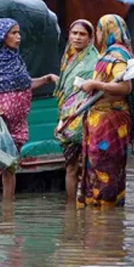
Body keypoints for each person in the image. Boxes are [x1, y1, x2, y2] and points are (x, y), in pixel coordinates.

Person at [0, 18, 57, 202]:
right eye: (13, 33)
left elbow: (25, 84)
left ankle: (8, 211)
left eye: (19, 32)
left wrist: (46, 79)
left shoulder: (16, 60)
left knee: (10, 165)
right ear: (1, 36)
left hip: (16, 124)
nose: (18, 37)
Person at [76, 14, 134, 208]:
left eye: (100, 30)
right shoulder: (110, 54)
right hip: (99, 118)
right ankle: (98, 214)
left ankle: (105, 213)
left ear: (109, 31)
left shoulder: (118, 56)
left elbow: (125, 87)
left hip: (110, 121)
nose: (98, 34)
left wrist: (96, 84)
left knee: (106, 166)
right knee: (96, 165)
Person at [53, 19, 99, 203]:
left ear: (90, 38)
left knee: (90, 167)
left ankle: (90, 209)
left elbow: (91, 93)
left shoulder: (95, 60)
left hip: (86, 118)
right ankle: (71, 211)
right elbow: (67, 90)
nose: (77, 38)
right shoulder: (68, 58)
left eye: (82, 34)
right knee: (70, 167)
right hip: (66, 119)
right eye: (74, 33)